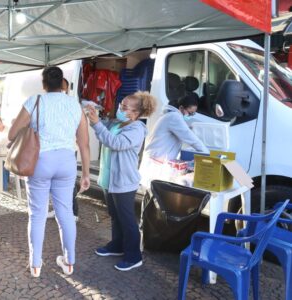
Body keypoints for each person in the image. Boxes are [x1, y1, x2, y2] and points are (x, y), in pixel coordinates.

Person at [9, 66, 90, 278]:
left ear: (44, 84)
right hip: (66, 161)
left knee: (37, 214)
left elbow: (11, 134)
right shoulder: (75, 105)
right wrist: (87, 174)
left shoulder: (34, 101)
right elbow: (84, 143)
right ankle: (69, 262)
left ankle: (35, 265)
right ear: (63, 83)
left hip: (40, 161)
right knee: (65, 214)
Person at [86, 91, 156, 272]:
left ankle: (134, 256)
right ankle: (117, 246)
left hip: (124, 182)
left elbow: (116, 143)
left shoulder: (136, 129)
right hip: (110, 179)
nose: (120, 108)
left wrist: (97, 124)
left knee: (126, 220)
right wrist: (97, 120)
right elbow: (105, 135)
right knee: (115, 215)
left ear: (136, 113)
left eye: (125, 107)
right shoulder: (119, 123)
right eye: (120, 105)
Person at [140, 94, 209, 191]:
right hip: (156, 164)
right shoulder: (174, 117)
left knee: (155, 196)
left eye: (193, 114)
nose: (189, 116)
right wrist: (207, 154)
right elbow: (191, 138)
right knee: (154, 197)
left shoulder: (171, 116)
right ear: (181, 107)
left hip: (158, 160)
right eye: (190, 113)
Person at [47, 77, 80, 221]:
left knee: (69, 184)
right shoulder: (48, 104)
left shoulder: (71, 105)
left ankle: (73, 213)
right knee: (54, 182)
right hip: (51, 150)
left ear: (65, 89)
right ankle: (57, 209)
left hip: (68, 149)